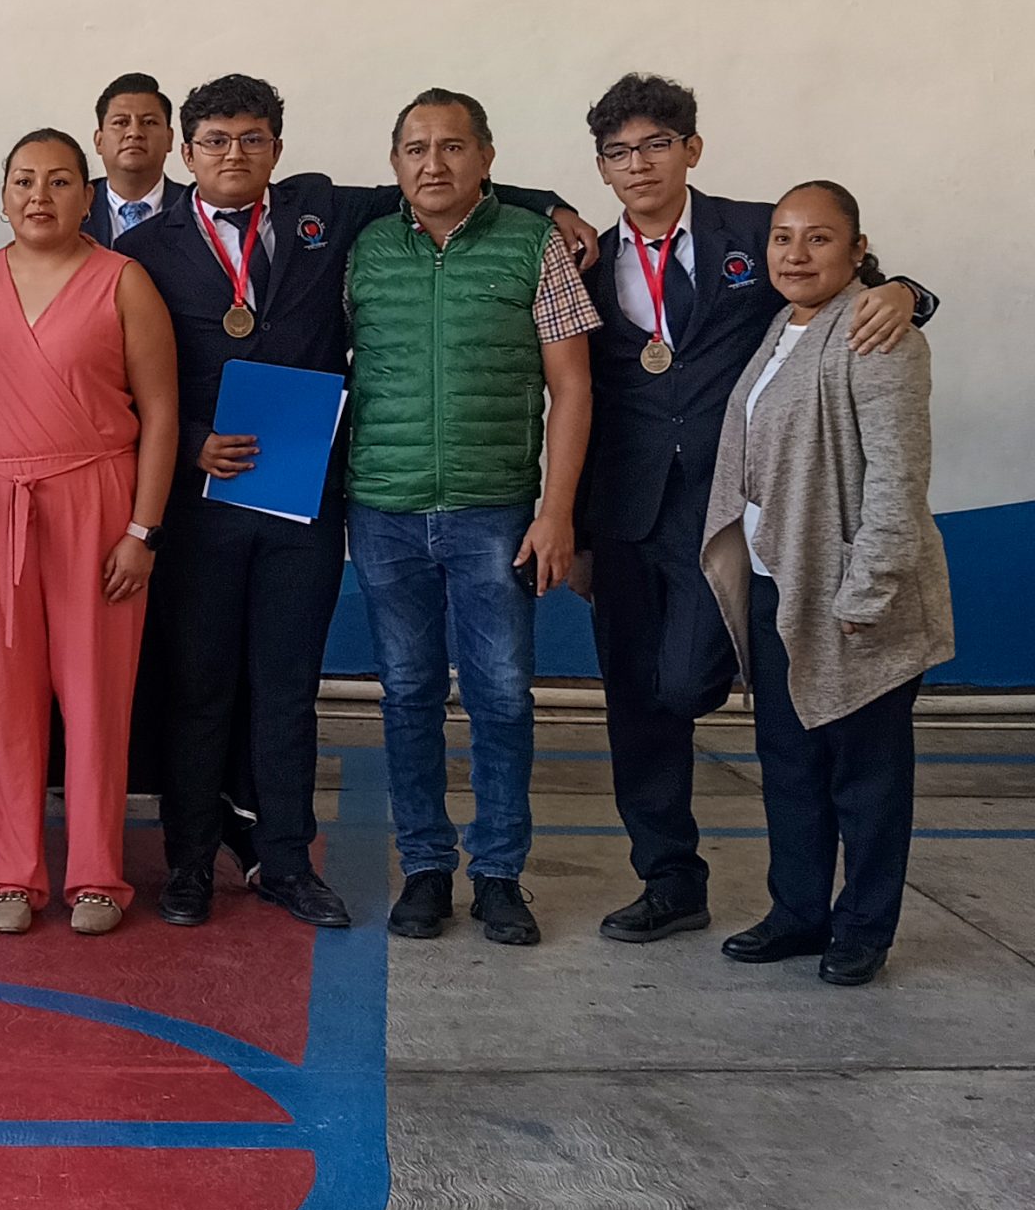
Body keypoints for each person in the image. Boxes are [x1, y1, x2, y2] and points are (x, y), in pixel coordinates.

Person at [114, 73, 590, 929]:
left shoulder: (326, 216)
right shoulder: (143, 250)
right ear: (186, 153)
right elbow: (115, 376)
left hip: (306, 503)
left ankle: (287, 861)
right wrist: (189, 442)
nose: (233, 153)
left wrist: (550, 204)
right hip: (200, 507)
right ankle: (187, 863)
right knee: (197, 690)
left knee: (289, 689)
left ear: (277, 149)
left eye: (252, 138)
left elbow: (436, 183)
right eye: (215, 140)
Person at [572, 73, 937, 946]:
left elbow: (843, 275)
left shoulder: (758, 233)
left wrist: (911, 292)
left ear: (691, 149)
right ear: (602, 168)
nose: (639, 164)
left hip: (727, 516)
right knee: (636, 705)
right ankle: (670, 879)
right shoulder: (580, 257)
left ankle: (839, 908)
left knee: (683, 681)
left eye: (657, 144)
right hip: (622, 509)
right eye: (619, 152)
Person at [347, 88, 600, 948]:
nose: (434, 163)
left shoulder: (534, 244)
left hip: (496, 510)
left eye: (453, 146)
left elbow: (573, 386)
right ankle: (424, 866)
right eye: (415, 148)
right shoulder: (365, 248)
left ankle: (498, 873)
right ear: (394, 163)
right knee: (407, 693)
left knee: (500, 695)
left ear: (487, 158)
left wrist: (556, 510)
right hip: (383, 508)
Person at [702, 181, 951, 988]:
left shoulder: (878, 330)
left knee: (866, 774)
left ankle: (864, 927)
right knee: (790, 762)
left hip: (850, 595)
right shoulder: (780, 325)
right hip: (780, 585)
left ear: (857, 248)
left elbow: (897, 477)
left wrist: (869, 589)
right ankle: (798, 911)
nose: (796, 254)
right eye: (783, 237)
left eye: (819, 238)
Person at [0, 130, 179, 936]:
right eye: (23, 181)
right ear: (3, 196)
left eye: (57, 181)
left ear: (88, 196)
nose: (39, 195)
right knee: (3, 698)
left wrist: (143, 529)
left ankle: (96, 875)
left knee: (95, 696)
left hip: (98, 503)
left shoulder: (123, 280)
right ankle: (13, 872)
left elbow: (161, 412)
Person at [82, 72, 187, 244]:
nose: (134, 133)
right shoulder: (74, 208)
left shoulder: (193, 207)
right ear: (99, 141)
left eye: (149, 122)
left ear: (169, 139)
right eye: (121, 122)